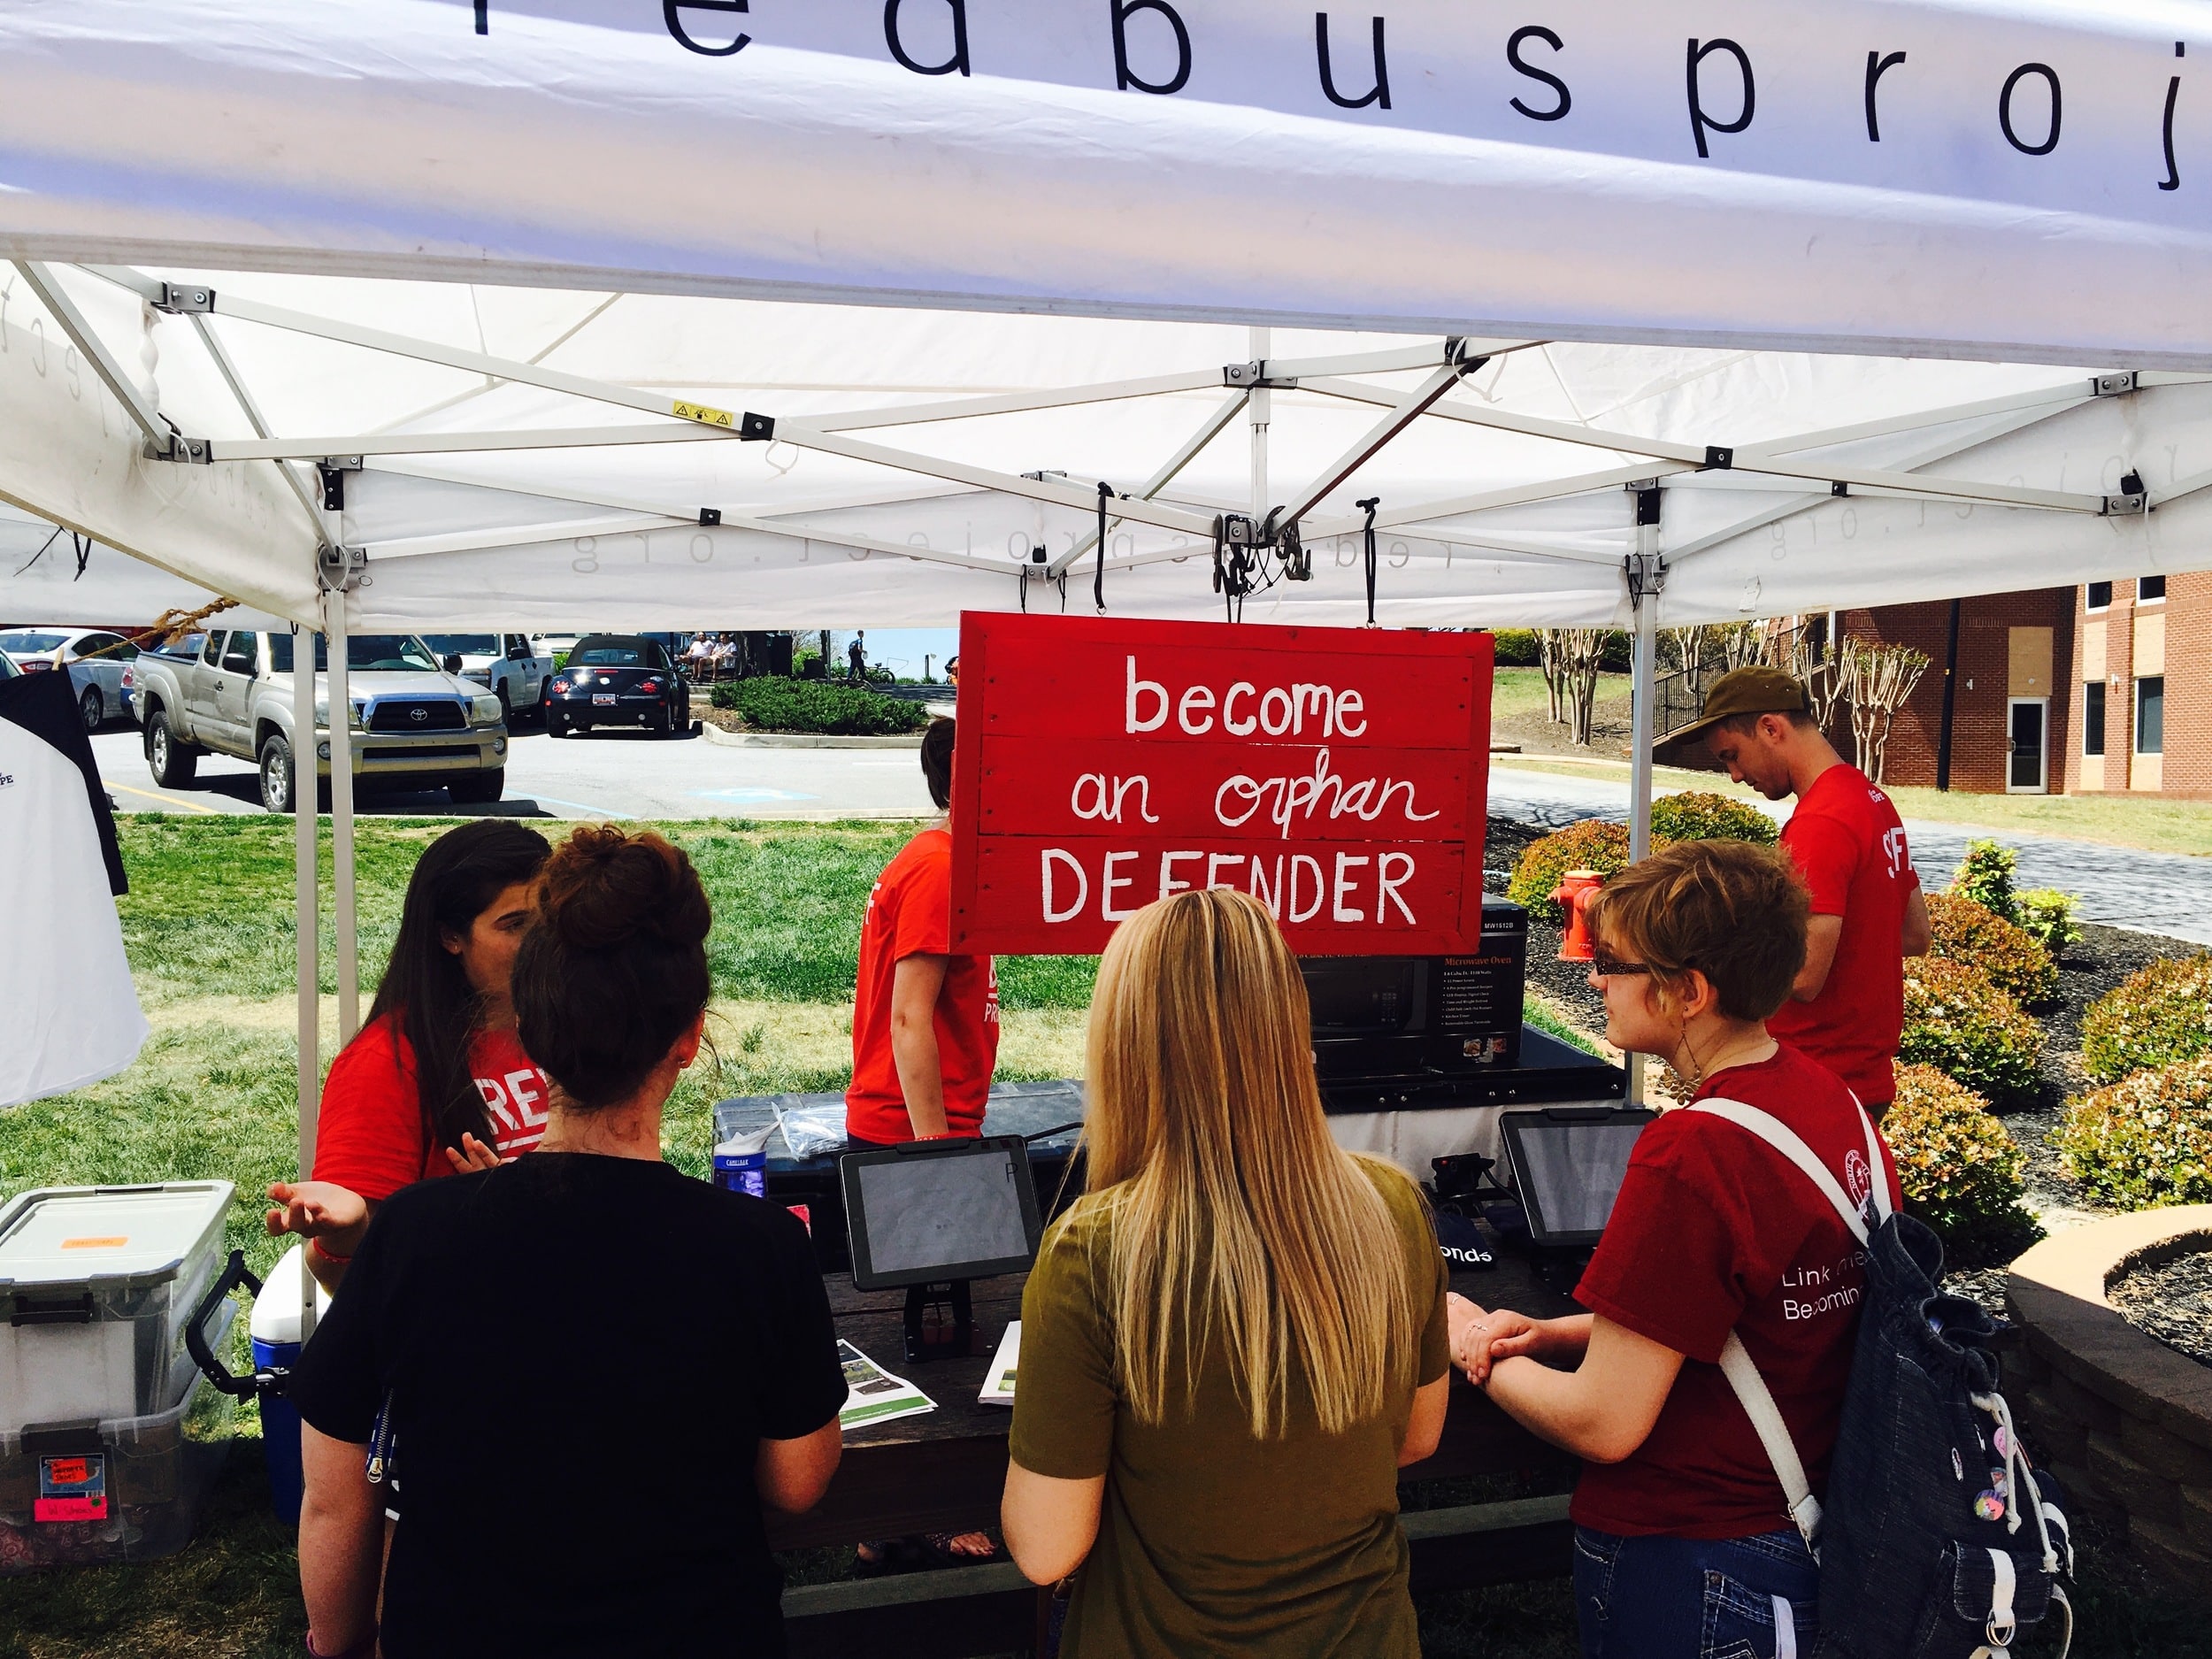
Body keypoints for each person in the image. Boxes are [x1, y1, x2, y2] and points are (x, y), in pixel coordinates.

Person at [289, 826, 847, 1659]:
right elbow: (797, 1483)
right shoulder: (759, 1245)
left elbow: (334, 1498)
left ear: (535, 1031)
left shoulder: (411, 1231)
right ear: (688, 1036)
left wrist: (335, 1645)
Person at [1449, 840, 1901, 1659]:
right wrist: (1558, 1333)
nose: (1593, 978)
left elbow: (1604, 1423)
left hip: (1696, 1556)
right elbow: (1763, 1310)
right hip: (1812, 1520)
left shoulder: (1694, 1151)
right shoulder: (1830, 1102)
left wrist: (1470, 1341)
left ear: (1688, 992)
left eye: (1613, 960)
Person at [1002, 889, 1451, 1655]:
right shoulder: (1395, 1208)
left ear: (1124, 1050)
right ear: (1289, 1035)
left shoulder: (1093, 1252)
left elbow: (1047, 1548)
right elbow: (1416, 1436)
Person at [266, 819, 553, 1292]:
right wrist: (347, 1235)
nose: (540, 940)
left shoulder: (567, 1026)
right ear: (450, 937)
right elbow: (343, 1280)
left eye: (550, 918)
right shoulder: (385, 1062)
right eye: (516, 924)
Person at [1656, 664, 1931, 1118]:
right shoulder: (1872, 800)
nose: (1736, 776)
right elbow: (1914, 934)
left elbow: (1802, 976)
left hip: (1812, 1081)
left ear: (1770, 728)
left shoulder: (1819, 823)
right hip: (1863, 1081)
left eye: (1732, 755)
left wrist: (1703, 958)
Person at [846, 717, 998, 1147]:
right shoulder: (939, 870)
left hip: (926, 1122)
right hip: (912, 1131)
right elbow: (908, 1019)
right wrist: (937, 1150)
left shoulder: (943, 861)